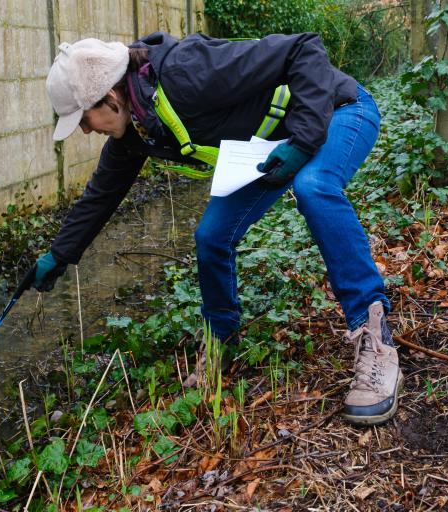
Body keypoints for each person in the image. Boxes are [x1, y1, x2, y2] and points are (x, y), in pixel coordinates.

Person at [27, 32, 402, 426]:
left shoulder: (187, 71)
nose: (86, 131)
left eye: (83, 118)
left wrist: (306, 139)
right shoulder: (137, 128)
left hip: (338, 109)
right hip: (272, 146)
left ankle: (374, 338)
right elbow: (100, 196)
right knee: (211, 236)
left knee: (314, 186)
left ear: (110, 97)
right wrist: (59, 255)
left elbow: (304, 47)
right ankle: (221, 341)